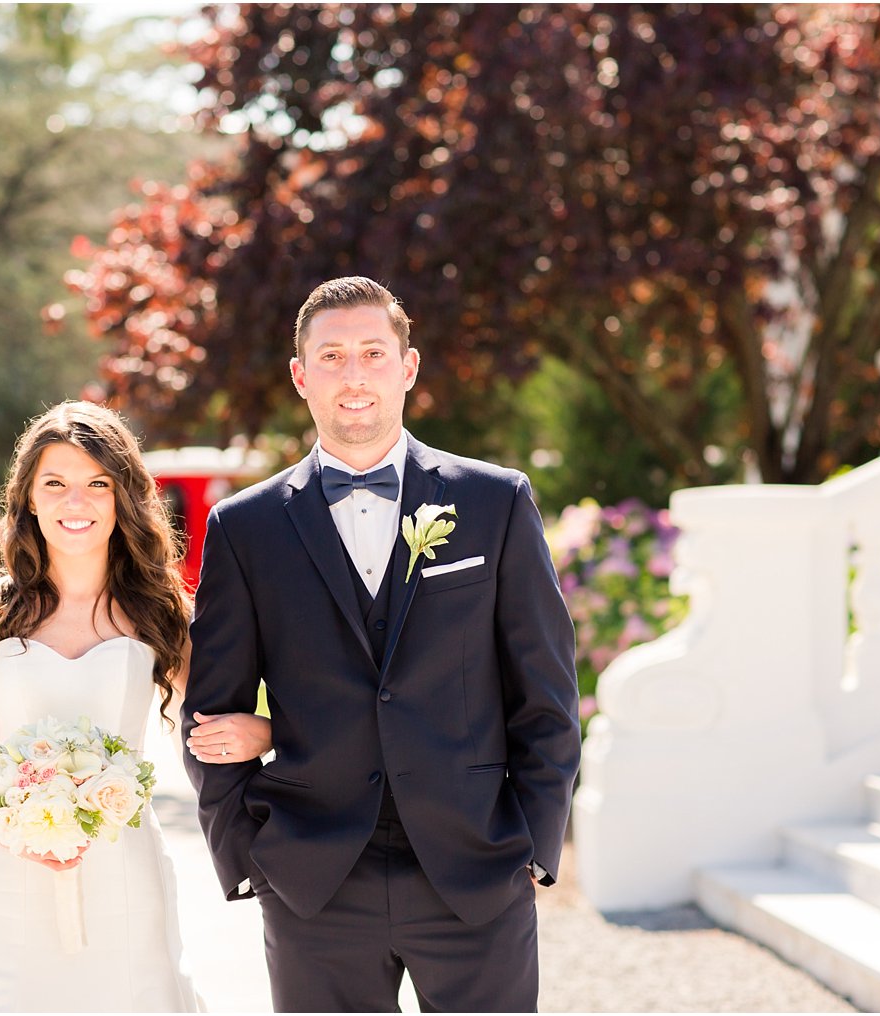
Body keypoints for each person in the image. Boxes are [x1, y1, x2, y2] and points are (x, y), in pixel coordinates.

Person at [182, 277, 582, 1012]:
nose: (354, 374)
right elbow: (208, 712)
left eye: (373, 352)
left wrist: (533, 847)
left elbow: (548, 695)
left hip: (475, 869)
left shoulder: (495, 502)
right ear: (301, 376)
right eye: (332, 356)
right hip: (315, 882)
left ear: (408, 367)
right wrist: (249, 859)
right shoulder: (247, 528)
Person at [0, 400, 272, 1012]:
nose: (74, 502)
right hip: (13, 874)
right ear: (28, 497)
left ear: (122, 499)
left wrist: (265, 735)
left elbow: (226, 724)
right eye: (54, 483)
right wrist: (13, 835)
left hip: (125, 868)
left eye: (96, 484)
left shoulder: (161, 614)